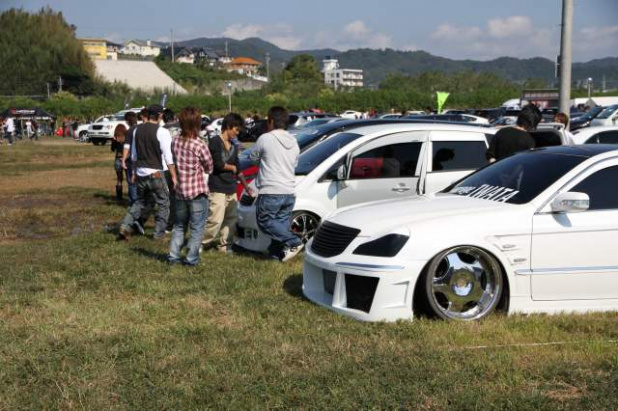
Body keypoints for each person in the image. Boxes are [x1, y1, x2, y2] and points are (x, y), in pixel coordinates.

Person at [250, 106, 303, 262]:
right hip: (289, 190)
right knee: (279, 225)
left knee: (265, 221)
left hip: (271, 189)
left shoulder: (265, 138)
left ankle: (294, 241)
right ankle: (275, 256)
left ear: (271, 121)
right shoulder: (294, 141)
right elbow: (294, 164)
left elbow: (253, 158)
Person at [118, 104, 177, 241]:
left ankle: (125, 226)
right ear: (160, 115)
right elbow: (168, 157)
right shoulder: (162, 131)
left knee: (139, 202)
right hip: (155, 172)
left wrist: (133, 173)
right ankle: (159, 234)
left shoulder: (136, 130)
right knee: (164, 203)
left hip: (140, 172)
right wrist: (174, 176)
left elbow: (133, 155)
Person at [202, 113, 254, 253]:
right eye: (236, 130)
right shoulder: (214, 141)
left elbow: (239, 169)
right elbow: (217, 164)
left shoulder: (234, 146)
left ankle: (224, 246)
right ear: (229, 127)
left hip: (231, 187)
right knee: (215, 220)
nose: (237, 133)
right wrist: (231, 168)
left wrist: (246, 187)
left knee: (231, 219)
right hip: (217, 187)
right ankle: (201, 242)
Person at [168, 107, 213, 266]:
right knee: (196, 228)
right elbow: (209, 166)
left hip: (180, 191)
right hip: (197, 193)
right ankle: (191, 259)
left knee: (179, 226)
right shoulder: (199, 144)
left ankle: (173, 256)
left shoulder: (175, 140)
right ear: (197, 123)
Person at [121, 111, 139, 205]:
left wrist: (123, 159)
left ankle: (134, 203)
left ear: (127, 121)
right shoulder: (141, 128)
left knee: (131, 182)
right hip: (142, 159)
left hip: (132, 160)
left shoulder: (129, 131)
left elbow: (127, 146)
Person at [112, 123, 128, 202]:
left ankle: (119, 197)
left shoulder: (115, 139)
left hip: (118, 159)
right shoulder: (127, 137)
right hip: (126, 159)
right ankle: (131, 195)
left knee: (119, 179)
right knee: (129, 178)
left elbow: (112, 149)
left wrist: (114, 140)